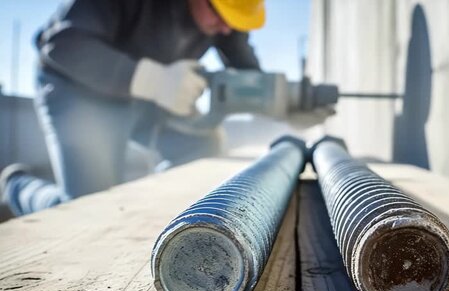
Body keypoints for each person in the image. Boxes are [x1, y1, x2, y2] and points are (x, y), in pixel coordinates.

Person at [0, 0, 265, 216]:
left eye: (234, 21)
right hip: (80, 92)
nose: (226, 29)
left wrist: (280, 101)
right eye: (220, 15)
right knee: (87, 210)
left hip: (148, 95)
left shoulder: (224, 19)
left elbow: (250, 72)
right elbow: (63, 45)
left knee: (202, 144)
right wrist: (156, 81)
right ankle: (17, 186)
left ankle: (148, 212)